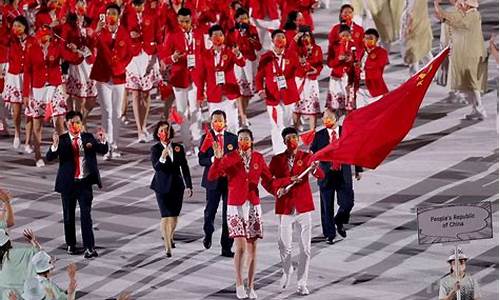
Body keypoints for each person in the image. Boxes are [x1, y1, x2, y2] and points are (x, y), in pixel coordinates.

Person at [208, 128, 274, 299]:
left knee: (253, 249)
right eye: (240, 139)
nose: (242, 141)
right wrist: (217, 158)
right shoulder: (230, 157)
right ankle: (239, 283)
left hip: (252, 205)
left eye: (246, 138)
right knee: (241, 248)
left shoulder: (258, 158)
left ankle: (251, 286)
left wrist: (279, 190)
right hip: (235, 205)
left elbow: (268, 180)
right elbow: (212, 176)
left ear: (251, 141)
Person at [268, 127, 324, 296]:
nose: (293, 140)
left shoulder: (307, 157)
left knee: (305, 249)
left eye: (295, 137)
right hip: (285, 207)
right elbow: (270, 181)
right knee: (284, 246)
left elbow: (321, 176)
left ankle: (302, 283)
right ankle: (287, 270)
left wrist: (314, 168)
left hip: (303, 208)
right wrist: (285, 183)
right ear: (284, 141)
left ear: (299, 140)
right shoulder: (277, 160)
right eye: (289, 138)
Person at [46, 110, 108, 259]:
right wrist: (54, 146)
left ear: (82, 124)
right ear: (67, 124)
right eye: (71, 123)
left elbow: (103, 150)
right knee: (69, 216)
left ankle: (89, 247)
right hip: (68, 184)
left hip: (84, 183)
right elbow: (49, 157)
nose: (75, 125)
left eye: (78, 122)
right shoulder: (62, 140)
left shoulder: (88, 137)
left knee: (86, 216)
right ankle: (71, 244)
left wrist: (103, 141)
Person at [23, 24, 74, 167]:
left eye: (48, 38)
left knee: (59, 122)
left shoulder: (56, 47)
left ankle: (64, 153)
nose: (46, 41)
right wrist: (25, 94)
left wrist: (75, 50)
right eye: (43, 38)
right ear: (38, 39)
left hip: (55, 87)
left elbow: (71, 58)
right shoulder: (31, 50)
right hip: (38, 90)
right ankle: (38, 155)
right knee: (37, 125)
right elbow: (27, 72)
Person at [310, 109, 361, 243]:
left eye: (329, 117)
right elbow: (313, 153)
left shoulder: (346, 132)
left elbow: (354, 150)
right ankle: (329, 234)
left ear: (336, 119)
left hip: (343, 173)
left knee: (348, 203)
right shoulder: (319, 135)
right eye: (324, 118)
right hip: (326, 175)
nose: (325, 120)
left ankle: (338, 220)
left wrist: (358, 169)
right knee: (327, 206)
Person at [89, 3, 133, 160]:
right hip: (102, 76)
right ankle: (106, 146)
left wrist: (121, 66)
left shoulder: (124, 33)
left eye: (114, 13)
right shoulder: (100, 32)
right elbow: (90, 45)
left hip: (118, 77)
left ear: (119, 15)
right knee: (106, 112)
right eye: (108, 13)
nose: (111, 16)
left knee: (117, 113)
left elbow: (129, 54)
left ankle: (115, 145)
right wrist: (97, 31)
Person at [158, 7, 204, 155]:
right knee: (182, 112)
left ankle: (197, 141)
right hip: (179, 78)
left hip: (195, 77)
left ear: (192, 19)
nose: (184, 24)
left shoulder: (198, 34)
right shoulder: (172, 35)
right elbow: (164, 59)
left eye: (187, 21)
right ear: (178, 21)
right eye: (182, 22)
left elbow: (204, 55)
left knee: (196, 110)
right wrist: (173, 58)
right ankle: (187, 143)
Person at [434, 0, 488, 120]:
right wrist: (437, 6)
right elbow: (447, 19)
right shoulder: (465, 15)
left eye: (463, 3)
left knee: (472, 83)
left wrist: (439, 9)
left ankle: (479, 108)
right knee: (467, 84)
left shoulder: (473, 15)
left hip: (471, 55)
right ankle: (476, 108)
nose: (460, 4)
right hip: (464, 55)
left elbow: (457, 22)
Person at [198, 110, 238, 257]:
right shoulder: (206, 138)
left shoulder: (233, 139)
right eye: (215, 121)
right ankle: (208, 233)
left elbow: (237, 160)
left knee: (229, 214)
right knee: (210, 212)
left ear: (225, 122)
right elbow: (201, 159)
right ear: (211, 122)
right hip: (212, 181)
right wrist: (213, 160)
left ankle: (226, 247)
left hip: (229, 182)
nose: (218, 123)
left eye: (220, 120)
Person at [150, 121, 193, 257]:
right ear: (158, 134)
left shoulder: (178, 148)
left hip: (176, 186)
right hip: (162, 186)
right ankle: (167, 245)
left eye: (167, 130)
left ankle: (171, 235)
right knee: (165, 216)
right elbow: (156, 167)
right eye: (162, 131)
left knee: (174, 216)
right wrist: (162, 157)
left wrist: (189, 185)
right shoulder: (155, 149)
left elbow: (184, 167)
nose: (165, 133)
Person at [255, 29, 299, 154]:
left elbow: (299, 69)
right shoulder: (266, 57)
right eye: (278, 37)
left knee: (288, 124)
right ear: (273, 41)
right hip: (272, 97)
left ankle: (290, 149)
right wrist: (260, 90)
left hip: (288, 96)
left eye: (283, 37)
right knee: (277, 125)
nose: (281, 39)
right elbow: (259, 76)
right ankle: (279, 152)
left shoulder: (291, 55)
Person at [124, 0, 161, 143]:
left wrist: (157, 56)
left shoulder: (152, 15)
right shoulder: (126, 15)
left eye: (140, 4)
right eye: (135, 4)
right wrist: (129, 36)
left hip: (148, 56)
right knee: (135, 94)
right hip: (133, 58)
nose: (138, 7)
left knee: (146, 95)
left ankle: (144, 125)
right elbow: (121, 34)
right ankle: (139, 129)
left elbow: (158, 37)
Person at [198, 24, 244, 134]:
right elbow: (201, 76)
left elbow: (241, 63)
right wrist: (200, 95)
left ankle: (233, 149)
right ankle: (218, 150)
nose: (218, 37)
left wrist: (238, 54)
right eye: (215, 35)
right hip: (214, 95)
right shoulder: (205, 55)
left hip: (229, 94)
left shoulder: (230, 51)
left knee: (233, 125)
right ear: (209, 38)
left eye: (220, 34)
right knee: (217, 127)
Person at [62, 1, 98, 128]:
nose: (81, 8)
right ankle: (78, 126)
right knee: (79, 98)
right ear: (74, 8)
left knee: (92, 98)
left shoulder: (90, 22)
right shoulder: (68, 26)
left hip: (89, 64)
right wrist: (73, 52)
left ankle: (80, 119)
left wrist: (94, 36)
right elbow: (63, 47)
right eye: (78, 6)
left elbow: (95, 42)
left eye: (83, 5)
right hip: (77, 65)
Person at [1, 16, 32, 153]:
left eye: (18, 26)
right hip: (14, 77)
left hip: (28, 78)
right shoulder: (11, 40)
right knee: (17, 111)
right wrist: (4, 25)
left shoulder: (32, 41)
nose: (16, 29)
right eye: (14, 26)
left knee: (30, 110)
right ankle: (18, 133)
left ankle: (28, 141)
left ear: (25, 27)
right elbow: (2, 38)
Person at [227, 7, 262, 127]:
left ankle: (243, 111)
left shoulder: (252, 29)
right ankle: (242, 115)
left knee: (249, 91)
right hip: (237, 62)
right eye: (241, 18)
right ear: (236, 19)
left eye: (246, 18)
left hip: (250, 61)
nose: (244, 20)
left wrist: (253, 41)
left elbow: (258, 47)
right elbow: (228, 45)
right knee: (240, 89)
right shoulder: (232, 32)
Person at [292, 26, 322, 131]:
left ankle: (312, 132)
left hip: (311, 81)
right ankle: (294, 130)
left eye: (307, 36)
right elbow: (290, 55)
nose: (305, 38)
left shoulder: (317, 48)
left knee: (312, 107)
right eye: (303, 36)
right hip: (299, 80)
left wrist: (315, 71)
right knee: (297, 107)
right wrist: (295, 40)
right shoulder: (297, 48)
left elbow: (320, 65)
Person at [326, 25, 360, 115]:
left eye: (347, 35)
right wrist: (338, 59)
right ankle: (333, 123)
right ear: (339, 35)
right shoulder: (333, 46)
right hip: (336, 78)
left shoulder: (354, 46)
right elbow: (329, 64)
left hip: (349, 77)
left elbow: (358, 60)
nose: (345, 37)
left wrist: (351, 60)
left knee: (349, 105)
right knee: (334, 105)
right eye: (343, 35)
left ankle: (348, 124)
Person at [0, 228, 41, 298]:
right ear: (8, 241)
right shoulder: (20, 253)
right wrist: (32, 241)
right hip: (24, 294)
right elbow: (39, 255)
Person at [400, 0, 433, 75]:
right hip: (421, 23)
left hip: (414, 25)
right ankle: (432, 72)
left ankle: (414, 75)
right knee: (424, 51)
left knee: (412, 51)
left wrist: (408, 27)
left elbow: (411, 11)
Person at [362, 28, 389, 98]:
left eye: (371, 38)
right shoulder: (360, 52)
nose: (368, 40)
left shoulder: (382, 52)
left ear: (376, 39)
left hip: (375, 85)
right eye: (366, 38)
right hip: (359, 86)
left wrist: (368, 57)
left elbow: (378, 64)